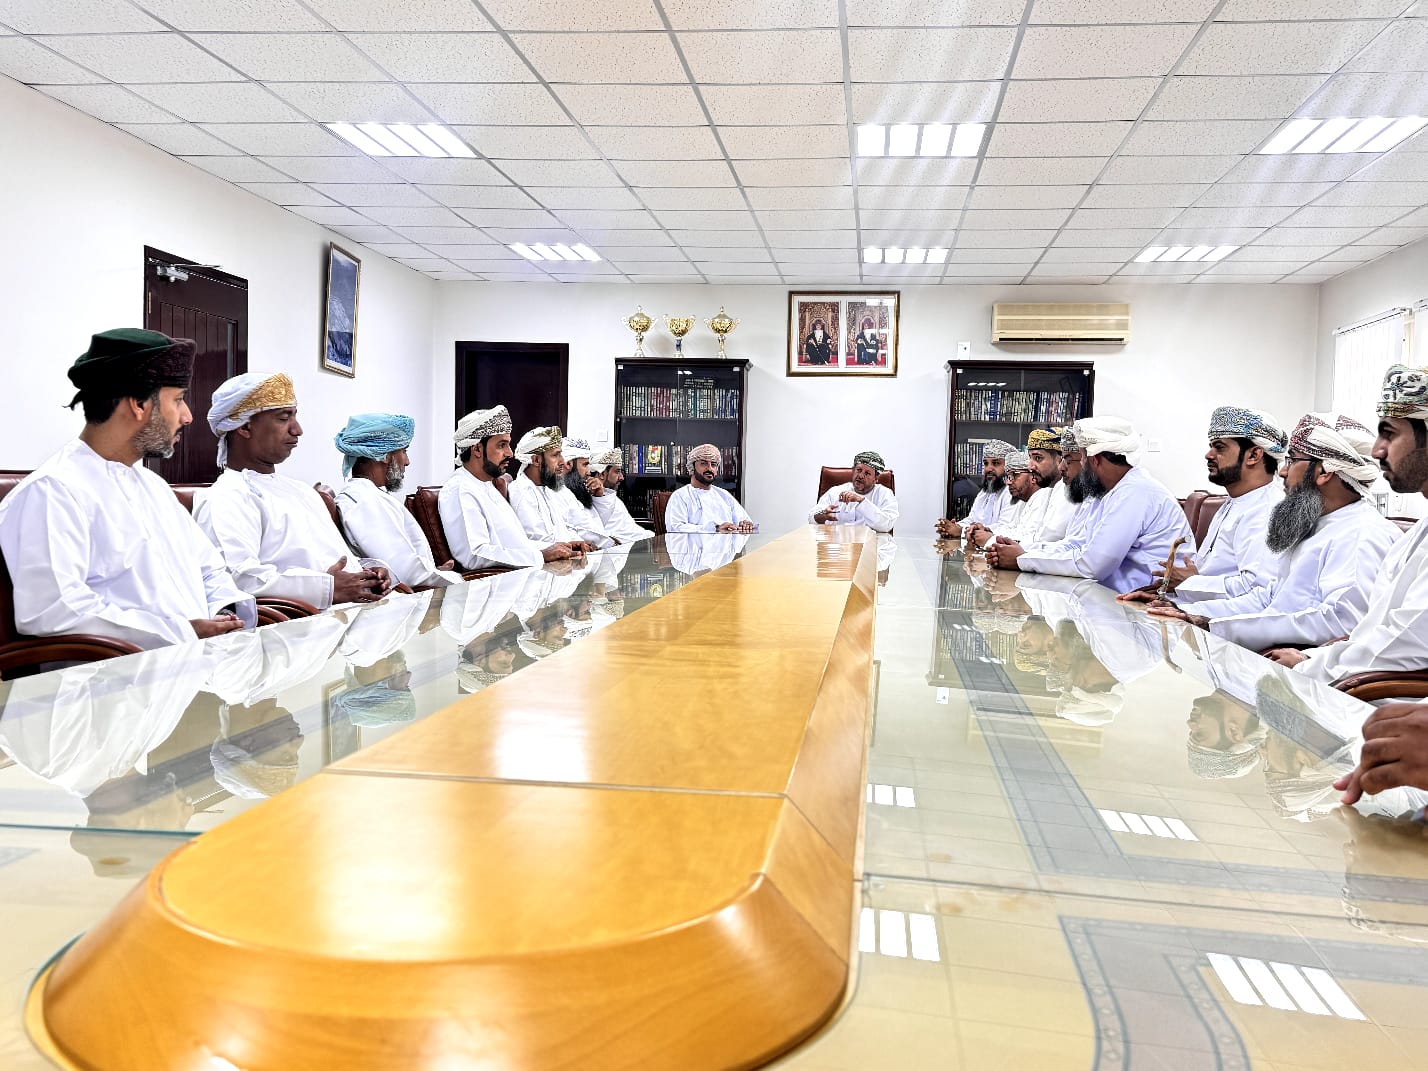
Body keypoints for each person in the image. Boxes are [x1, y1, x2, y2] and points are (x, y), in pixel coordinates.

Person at [0, 329, 255, 648]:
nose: (187, 416)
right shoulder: (52, 491)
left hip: (197, 662)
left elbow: (209, 569)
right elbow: (54, 610)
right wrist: (182, 632)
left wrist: (223, 614)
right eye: (178, 400)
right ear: (138, 403)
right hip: (118, 674)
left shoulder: (154, 486)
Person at [1147, 413, 1400, 651]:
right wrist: (1187, 611)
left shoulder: (1362, 533)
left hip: (1303, 665)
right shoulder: (1315, 525)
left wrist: (1217, 625)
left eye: (1293, 460)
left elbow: (1341, 621)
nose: (1283, 471)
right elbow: (1267, 598)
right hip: (1268, 650)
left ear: (1324, 471)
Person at [1268, 365, 1428, 688]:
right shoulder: (1416, 534)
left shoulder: (1364, 533)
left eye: (1390, 433)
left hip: (1382, 699)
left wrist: (1309, 665)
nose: (1378, 450)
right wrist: (1316, 658)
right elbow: (1375, 631)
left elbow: (1408, 641)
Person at [195, 372, 391, 610]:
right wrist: (327, 589)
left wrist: (366, 572)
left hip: (358, 613)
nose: (297, 430)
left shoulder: (300, 490)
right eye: (283, 418)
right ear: (245, 427)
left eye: (295, 416)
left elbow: (326, 557)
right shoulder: (227, 496)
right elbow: (238, 579)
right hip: (310, 623)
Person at [986, 417, 1193, 591]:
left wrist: (1021, 560)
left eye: (1081, 457)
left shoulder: (1135, 491)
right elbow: (1076, 545)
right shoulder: (1106, 493)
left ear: (1095, 460)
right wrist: (1022, 551)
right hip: (1112, 597)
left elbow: (1093, 565)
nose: (1066, 466)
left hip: (1146, 607)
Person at [1126, 406, 1286, 604]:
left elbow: (1256, 591)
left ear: (1254, 455)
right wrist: (1167, 596)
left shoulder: (1268, 511)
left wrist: (1189, 584)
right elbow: (1210, 576)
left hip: (1223, 622)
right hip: (1199, 610)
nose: (1209, 455)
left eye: (1219, 447)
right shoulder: (1236, 502)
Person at [334, 412, 461, 590]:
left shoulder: (365, 495)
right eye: (403, 451)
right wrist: (459, 580)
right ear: (385, 455)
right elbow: (408, 575)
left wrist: (434, 571)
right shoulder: (367, 502)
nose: (407, 461)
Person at [439, 405, 577, 568]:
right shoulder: (460, 489)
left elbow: (516, 544)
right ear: (477, 449)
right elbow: (475, 554)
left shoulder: (486, 485)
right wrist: (540, 555)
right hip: (498, 582)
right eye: (501, 445)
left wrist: (558, 547)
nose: (510, 453)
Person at [508, 425, 598, 553]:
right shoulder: (521, 492)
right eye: (556, 455)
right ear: (536, 460)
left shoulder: (546, 489)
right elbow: (538, 542)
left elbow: (561, 531)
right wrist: (570, 546)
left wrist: (576, 543)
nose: (562, 461)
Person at [666, 443, 755, 533]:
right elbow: (675, 528)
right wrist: (715, 528)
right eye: (703, 464)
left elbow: (744, 521)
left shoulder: (724, 495)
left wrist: (746, 525)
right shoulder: (680, 496)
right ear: (692, 468)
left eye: (713, 464)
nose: (709, 468)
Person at [936, 439, 1013, 539]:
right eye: (986, 463)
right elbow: (972, 519)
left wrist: (962, 531)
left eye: (996, 463)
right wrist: (955, 526)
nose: (988, 469)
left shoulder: (1013, 493)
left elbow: (1005, 528)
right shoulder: (984, 493)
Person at [809, 450, 898, 532]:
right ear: (853, 470)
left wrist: (861, 501)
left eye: (867, 473)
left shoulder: (885, 494)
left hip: (871, 543)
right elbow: (811, 518)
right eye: (858, 470)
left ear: (876, 478)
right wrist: (823, 515)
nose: (860, 476)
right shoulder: (835, 492)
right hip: (838, 542)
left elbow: (887, 526)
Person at [557, 436, 618, 549]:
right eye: (585, 465)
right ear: (568, 464)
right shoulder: (556, 493)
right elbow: (573, 532)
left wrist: (599, 497)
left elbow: (598, 526)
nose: (589, 472)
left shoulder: (576, 490)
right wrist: (608, 543)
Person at [966, 450, 1035, 547]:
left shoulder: (1017, 494)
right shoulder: (983, 493)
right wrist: (985, 530)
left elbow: (1035, 540)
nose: (1008, 482)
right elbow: (1012, 528)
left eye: (1015, 475)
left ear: (1033, 476)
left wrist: (989, 538)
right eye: (985, 464)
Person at [588, 448, 653, 542]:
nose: (622, 477)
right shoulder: (585, 500)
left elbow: (633, 531)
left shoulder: (616, 501)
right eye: (617, 472)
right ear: (602, 474)